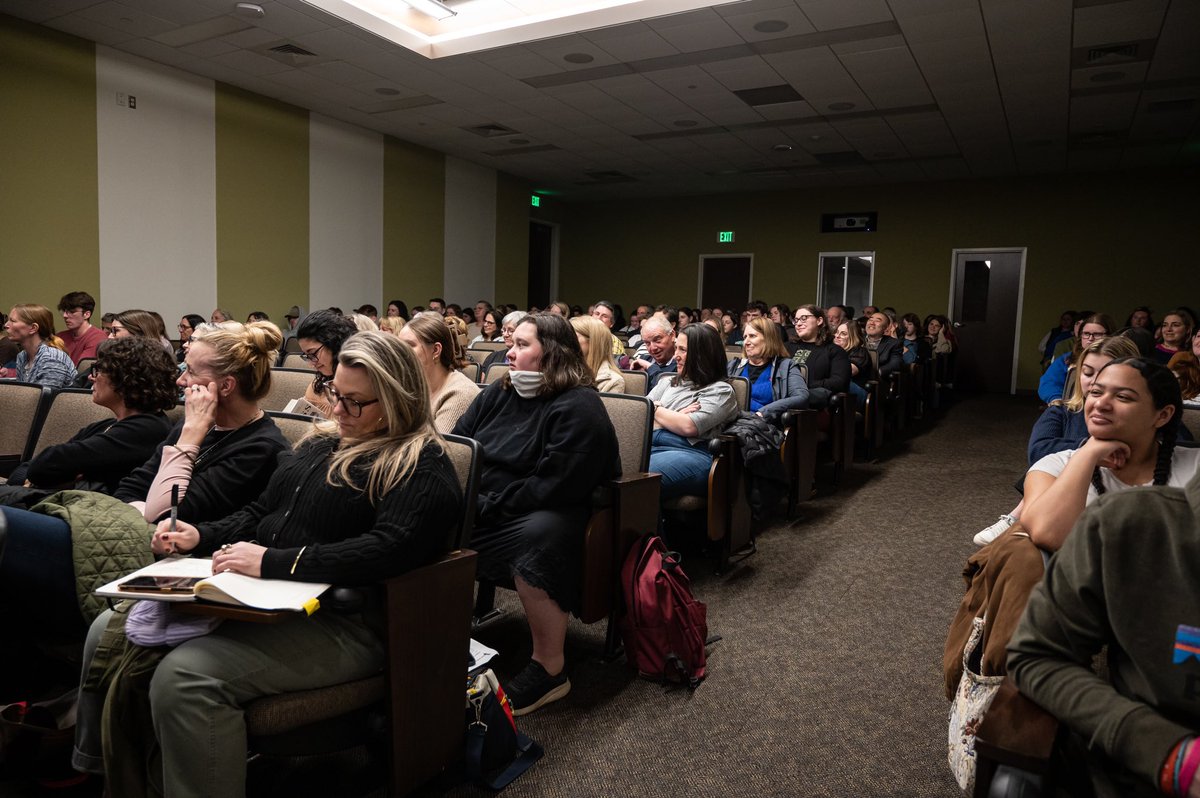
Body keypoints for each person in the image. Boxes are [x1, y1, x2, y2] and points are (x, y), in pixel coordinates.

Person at [80, 331, 463, 796]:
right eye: (334, 394)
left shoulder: (420, 463)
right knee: (108, 628)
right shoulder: (322, 443)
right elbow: (263, 513)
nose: (337, 411)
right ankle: (108, 775)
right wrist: (202, 535)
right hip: (274, 599)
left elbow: (387, 549)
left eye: (355, 403)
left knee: (185, 677)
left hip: (351, 622)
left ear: (398, 400)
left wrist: (274, 562)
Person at [452, 313, 620, 715]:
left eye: (523, 345)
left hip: (551, 512)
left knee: (539, 535)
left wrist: (485, 507)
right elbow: (459, 443)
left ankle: (550, 668)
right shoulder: (499, 392)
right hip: (490, 505)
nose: (509, 352)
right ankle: (441, 642)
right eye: (512, 343)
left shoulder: (579, 405)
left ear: (554, 353)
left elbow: (554, 485)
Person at [1007, 462, 1200, 797]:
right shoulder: (1130, 522)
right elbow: (1045, 530)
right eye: (1090, 403)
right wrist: (1170, 753)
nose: (1100, 405)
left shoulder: (1183, 456)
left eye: (1125, 403)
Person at [974, 336, 1141, 546]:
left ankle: (1017, 517)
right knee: (1051, 468)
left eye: (1105, 372)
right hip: (1065, 498)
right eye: (1087, 372)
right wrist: (1091, 449)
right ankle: (1021, 518)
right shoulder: (1064, 410)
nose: (1094, 381)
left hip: (1123, 496)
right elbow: (1039, 452)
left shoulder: (1149, 419)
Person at [1021, 358, 1195, 553]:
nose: (1101, 404)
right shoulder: (1055, 465)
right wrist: (1088, 454)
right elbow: (1048, 534)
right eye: (1095, 392)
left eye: (1123, 397)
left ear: (1162, 415)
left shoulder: (1195, 465)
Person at [2, 337, 177, 497]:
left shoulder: (146, 429)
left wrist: (43, 475)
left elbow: (45, 465)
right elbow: (29, 468)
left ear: (126, 379)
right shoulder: (106, 425)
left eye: (99, 370)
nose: (92, 377)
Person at [648, 322, 738, 499]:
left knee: (638, 480)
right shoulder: (667, 381)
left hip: (692, 454)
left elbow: (689, 427)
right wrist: (674, 417)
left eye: (683, 350)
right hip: (650, 446)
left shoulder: (721, 391)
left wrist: (655, 408)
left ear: (702, 356)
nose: (676, 357)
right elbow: (640, 418)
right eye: (676, 349)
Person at [399, 312, 479, 432]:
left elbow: (435, 447)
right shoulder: (410, 386)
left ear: (436, 350)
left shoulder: (461, 393)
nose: (399, 353)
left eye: (409, 346)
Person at [727, 316, 808, 425]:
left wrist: (764, 412)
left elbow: (801, 397)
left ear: (768, 338)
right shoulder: (733, 366)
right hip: (732, 423)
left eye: (752, 336)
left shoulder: (786, 367)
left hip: (764, 426)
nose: (746, 342)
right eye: (745, 337)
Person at [1038, 313, 1114, 404]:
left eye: (1097, 334)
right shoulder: (1067, 358)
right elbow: (1049, 382)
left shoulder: (1119, 360)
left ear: (1110, 336)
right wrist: (1056, 398)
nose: (1090, 338)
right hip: (1072, 406)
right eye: (1086, 334)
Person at [295, 309, 358, 417]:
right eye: (307, 356)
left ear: (334, 343)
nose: (311, 363)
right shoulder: (317, 386)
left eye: (313, 353)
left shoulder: (361, 386)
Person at [788, 304, 850, 408]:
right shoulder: (786, 347)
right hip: (784, 396)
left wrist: (805, 385)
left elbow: (839, 382)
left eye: (804, 318)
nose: (798, 323)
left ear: (819, 321)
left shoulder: (834, 351)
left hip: (813, 406)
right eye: (796, 320)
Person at [5, 303, 77, 388]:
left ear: (33, 328)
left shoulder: (51, 359)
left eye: (13, 321)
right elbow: (23, 394)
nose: (6, 325)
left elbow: (45, 399)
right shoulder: (22, 356)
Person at [571, 315, 625, 393]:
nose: (568, 342)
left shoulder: (613, 382)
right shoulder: (565, 371)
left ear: (593, 342)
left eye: (574, 337)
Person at [57, 291, 107, 365]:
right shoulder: (60, 337)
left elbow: (82, 369)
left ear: (86, 314)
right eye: (64, 311)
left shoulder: (97, 337)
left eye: (72, 311)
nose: (65, 315)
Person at [630, 315, 677, 386]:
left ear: (672, 335)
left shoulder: (681, 364)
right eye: (647, 343)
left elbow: (666, 389)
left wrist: (650, 367)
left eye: (657, 340)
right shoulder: (642, 361)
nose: (652, 348)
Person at [834, 319, 872, 406]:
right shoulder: (831, 351)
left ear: (853, 337)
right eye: (837, 332)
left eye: (843, 334)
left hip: (857, 392)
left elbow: (847, 372)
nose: (837, 336)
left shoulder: (860, 352)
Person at [863, 311, 902, 378]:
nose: (872, 323)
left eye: (877, 321)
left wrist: (878, 372)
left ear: (886, 328)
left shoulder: (894, 343)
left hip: (876, 380)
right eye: (870, 319)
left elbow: (895, 363)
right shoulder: (857, 339)